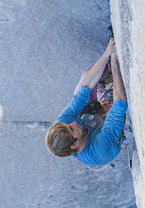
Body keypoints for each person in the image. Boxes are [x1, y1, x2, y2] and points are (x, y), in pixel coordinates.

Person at [45, 37, 127, 171]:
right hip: (105, 134)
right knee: (110, 94)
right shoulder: (101, 150)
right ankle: (109, 79)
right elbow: (120, 106)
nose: (72, 123)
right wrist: (115, 61)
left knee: (87, 75)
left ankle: (106, 71)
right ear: (74, 145)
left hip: (90, 123)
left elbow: (82, 91)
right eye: (71, 129)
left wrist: (108, 52)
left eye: (68, 125)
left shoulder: (62, 126)